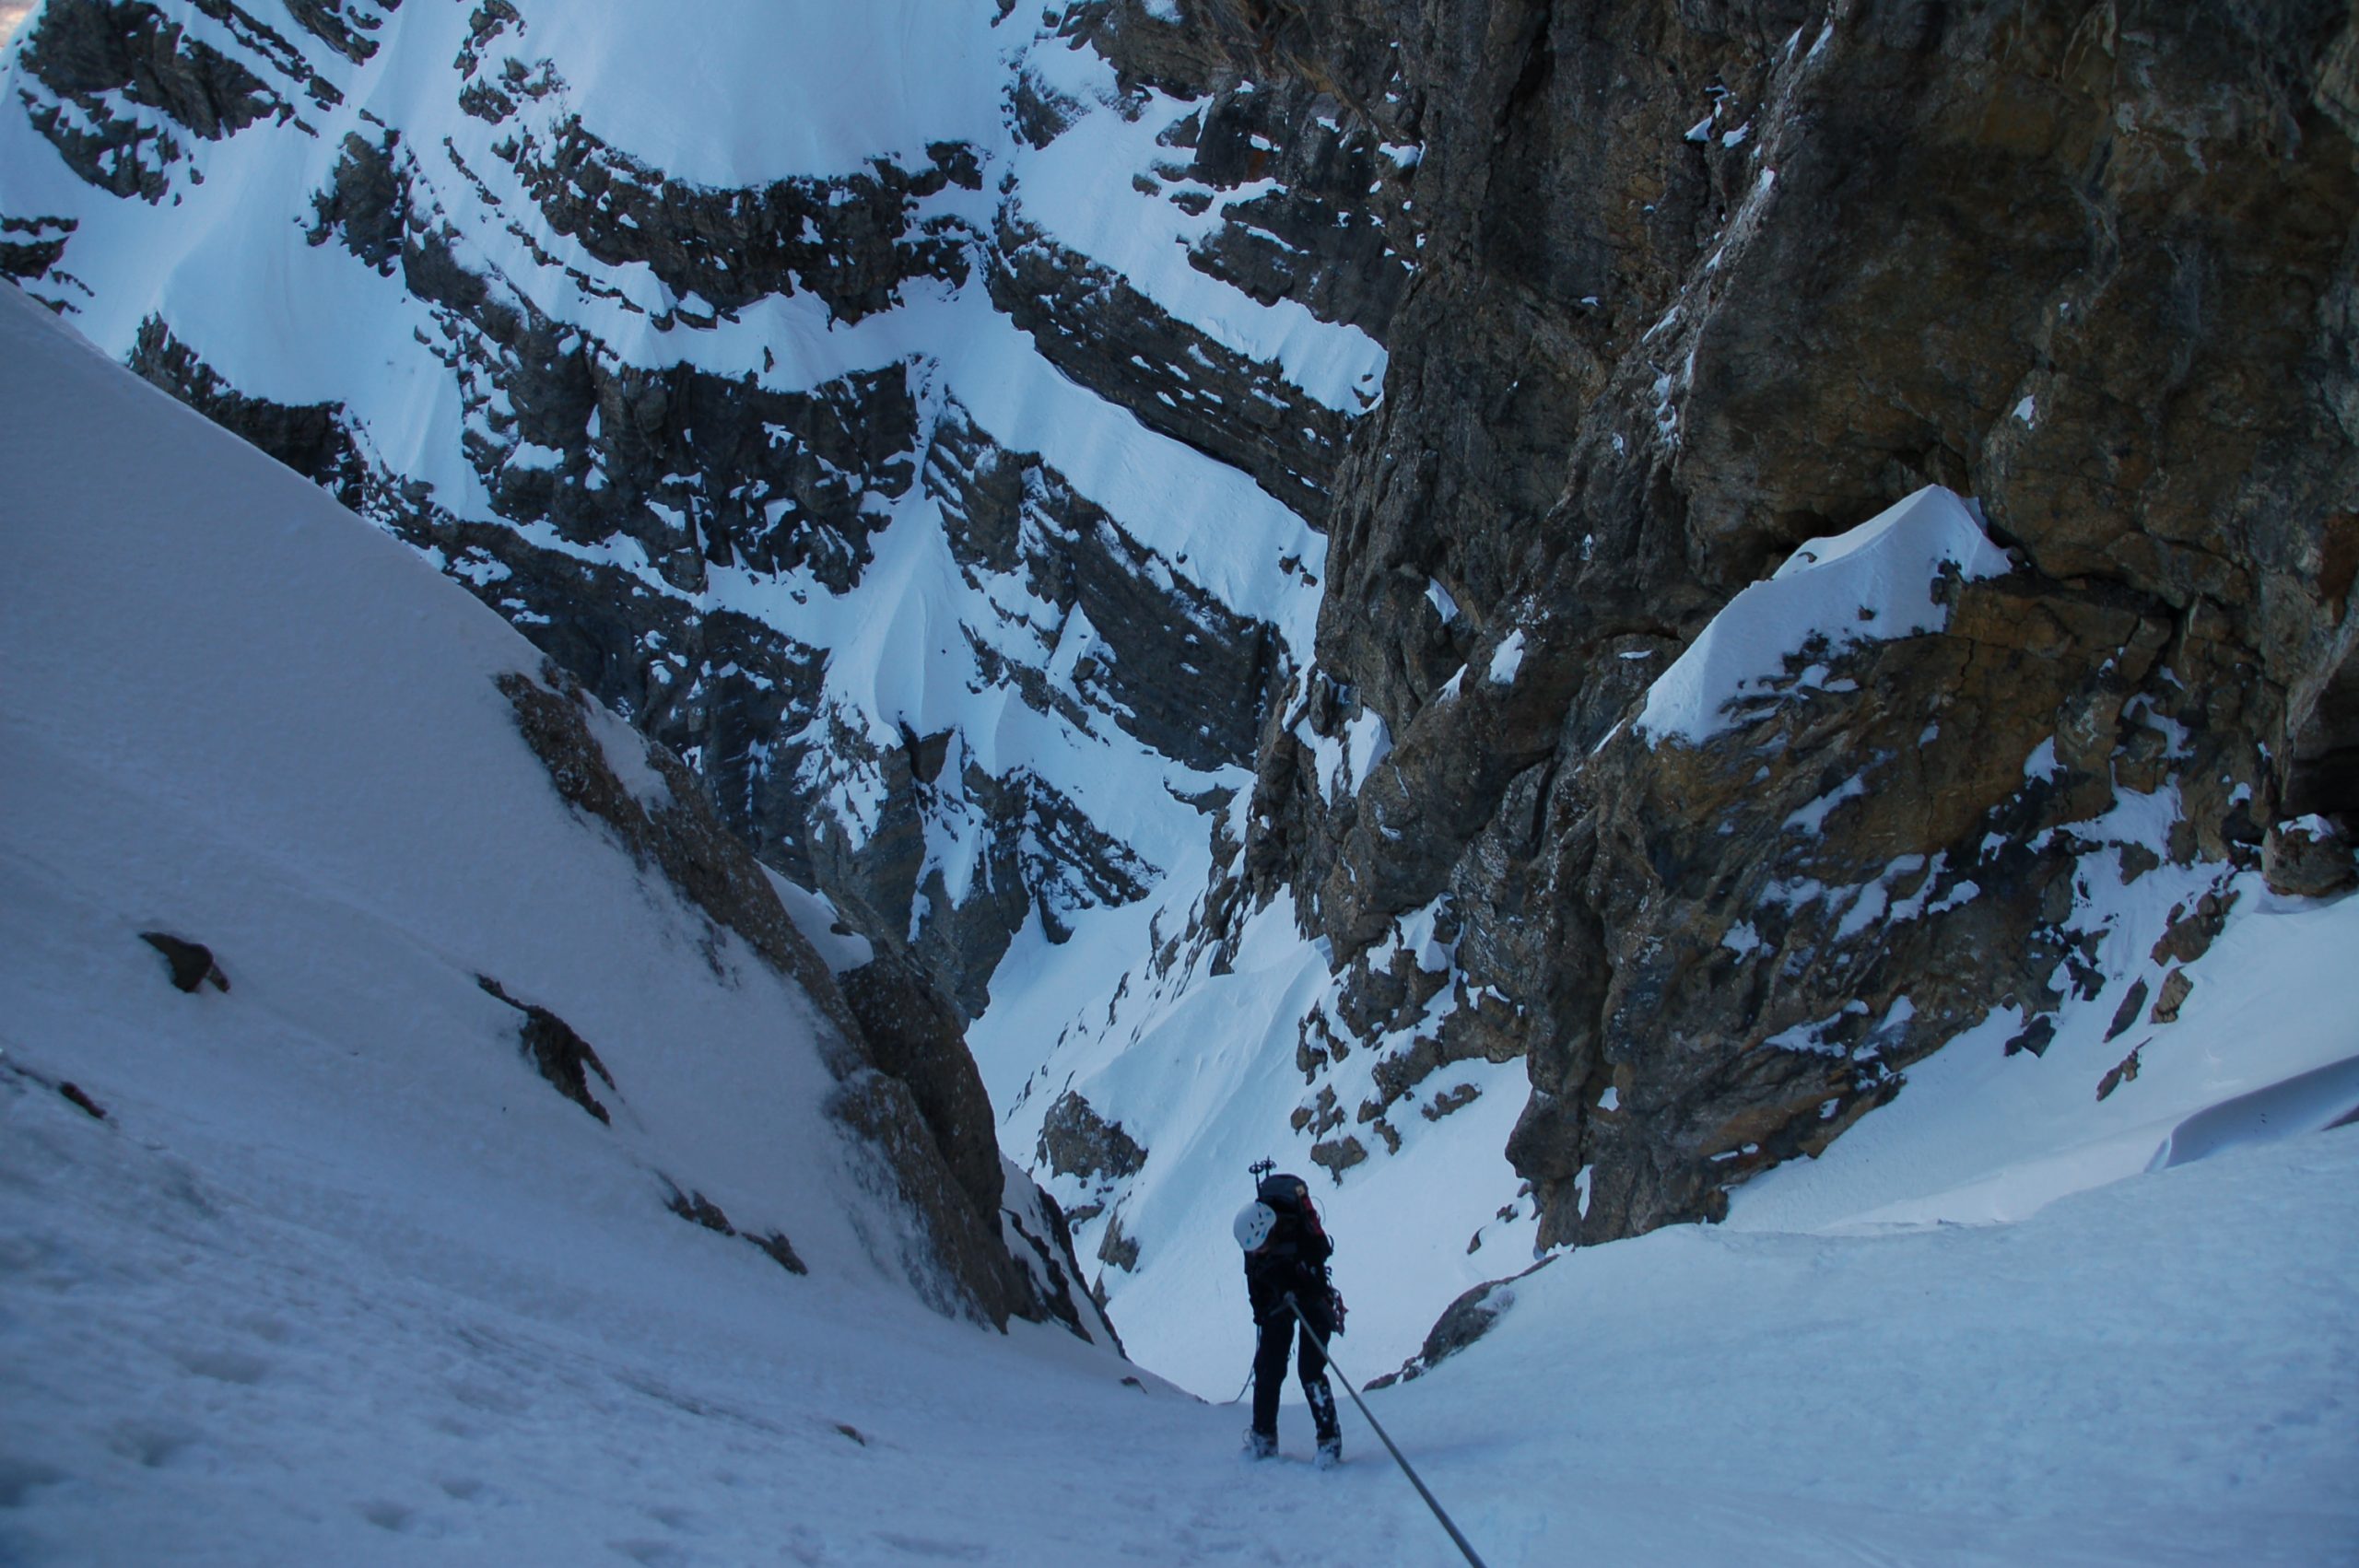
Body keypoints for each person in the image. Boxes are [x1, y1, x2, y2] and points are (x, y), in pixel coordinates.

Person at [1236, 1171, 1342, 1465]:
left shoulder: (1301, 1237)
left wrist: (1293, 1286)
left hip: (1312, 1299)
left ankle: (1329, 1442)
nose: (1257, 1254)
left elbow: (1317, 1280)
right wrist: (1266, 1307)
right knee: (1267, 1369)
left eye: (1261, 1248)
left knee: (1310, 1371)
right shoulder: (1252, 1248)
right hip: (1277, 1304)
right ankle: (1263, 1438)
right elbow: (1254, 1284)